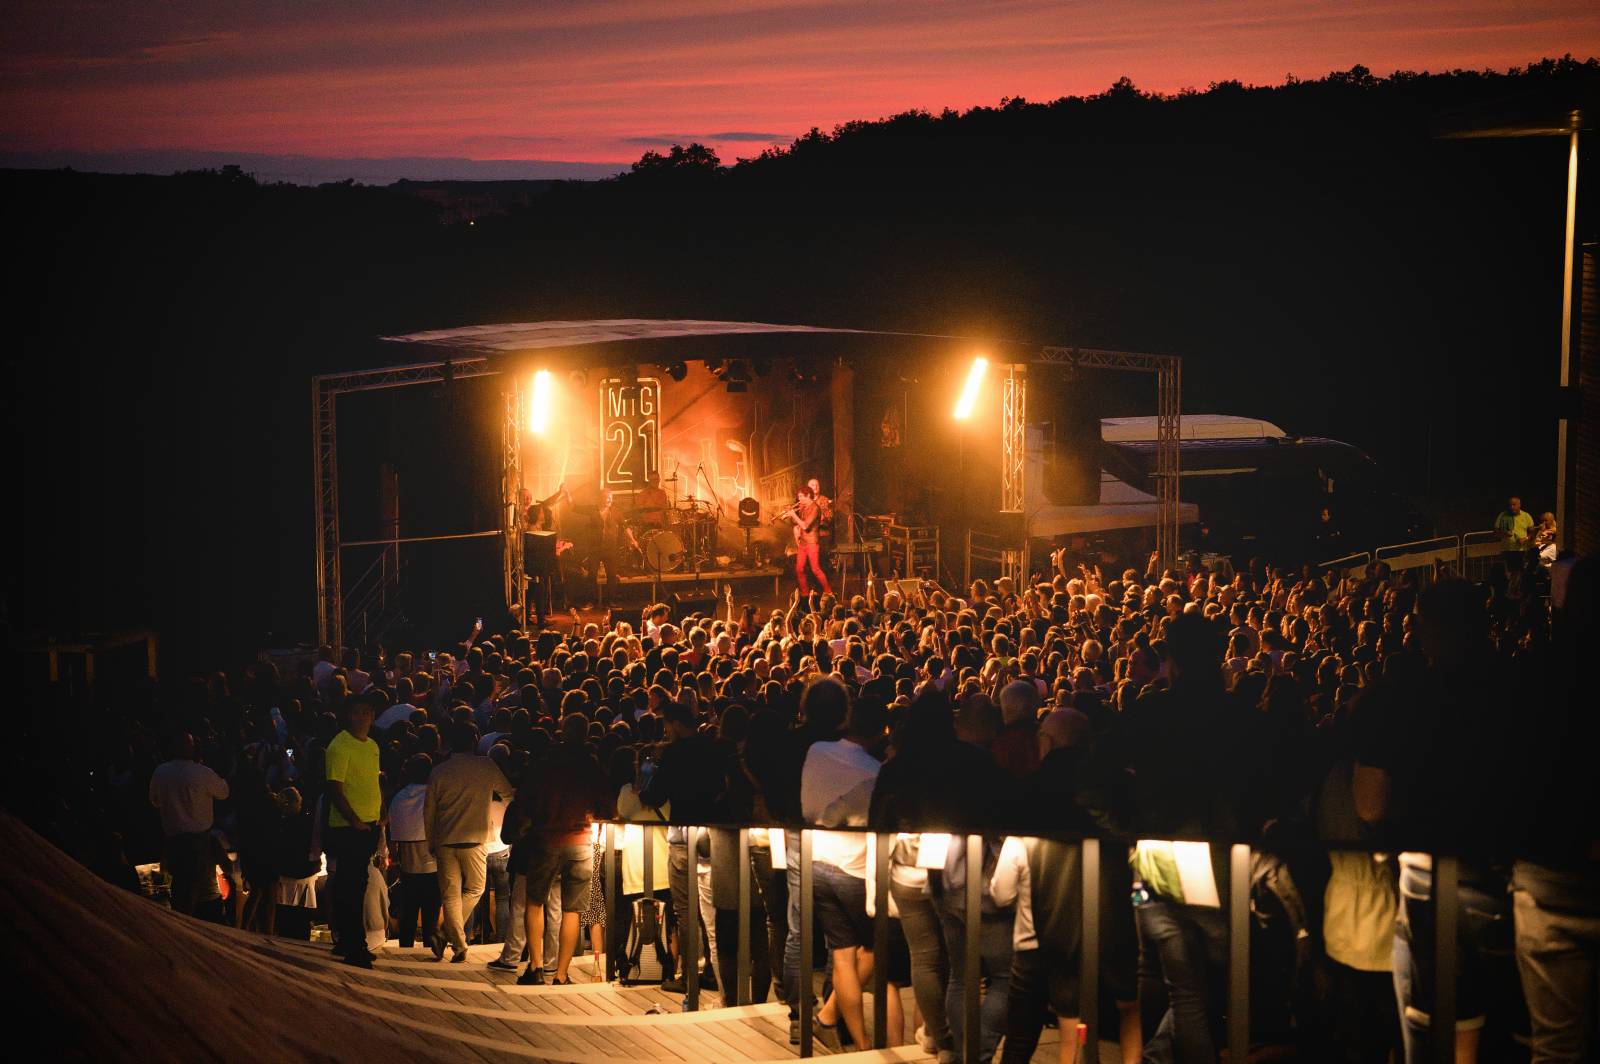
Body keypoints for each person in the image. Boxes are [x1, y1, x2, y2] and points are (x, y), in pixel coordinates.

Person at [801, 693, 890, 1048]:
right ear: (881, 731)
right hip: (855, 867)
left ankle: (843, 1030)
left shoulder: (816, 751)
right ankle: (851, 1035)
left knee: (842, 955)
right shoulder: (876, 773)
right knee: (877, 947)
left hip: (817, 858)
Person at [514, 713, 610, 985]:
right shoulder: (591, 765)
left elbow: (526, 800)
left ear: (562, 731)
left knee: (535, 902)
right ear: (586, 734)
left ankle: (536, 967)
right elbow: (607, 806)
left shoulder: (546, 763)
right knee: (573, 909)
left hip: (546, 839)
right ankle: (561, 974)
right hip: (581, 841)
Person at [426, 722, 514, 963]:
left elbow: (429, 810)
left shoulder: (439, 771)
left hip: (445, 839)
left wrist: (430, 840)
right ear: (474, 740)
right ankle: (448, 936)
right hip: (476, 838)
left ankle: (457, 943)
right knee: (475, 889)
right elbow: (508, 795)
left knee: (450, 895)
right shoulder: (486, 765)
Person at [324, 694, 383, 968]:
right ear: (348, 715)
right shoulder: (339, 745)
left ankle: (350, 942)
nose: (362, 717)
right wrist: (354, 820)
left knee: (356, 884)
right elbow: (334, 788)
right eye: (357, 712)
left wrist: (381, 812)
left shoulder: (372, 746)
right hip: (349, 827)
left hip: (368, 824)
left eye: (366, 712)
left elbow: (372, 781)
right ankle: (354, 945)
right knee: (351, 886)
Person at [148, 731, 230, 919]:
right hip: (199, 840)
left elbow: (154, 800)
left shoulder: (161, 772)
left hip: (173, 839)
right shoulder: (202, 772)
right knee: (199, 891)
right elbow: (224, 792)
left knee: (178, 887)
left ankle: (179, 923)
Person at [388, 753, 439, 950]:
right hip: (432, 865)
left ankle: (405, 951)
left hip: (408, 865)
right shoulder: (433, 795)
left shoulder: (399, 798)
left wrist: (395, 861)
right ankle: (429, 950)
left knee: (408, 914)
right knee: (430, 916)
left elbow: (394, 835)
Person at [785, 485, 833, 596]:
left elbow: (805, 526)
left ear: (808, 496)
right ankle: (805, 594)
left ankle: (828, 591)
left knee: (815, 569)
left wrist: (793, 514)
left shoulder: (815, 508)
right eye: (799, 497)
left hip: (812, 543)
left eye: (801, 496)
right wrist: (790, 515)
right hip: (803, 542)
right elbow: (798, 522)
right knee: (799, 569)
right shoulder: (803, 506)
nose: (799, 499)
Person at [1494, 495, 1534, 570]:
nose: (1511, 507)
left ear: (1519, 505)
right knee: (1509, 572)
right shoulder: (1503, 515)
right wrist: (1504, 534)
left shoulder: (1526, 516)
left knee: (1520, 571)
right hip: (1507, 550)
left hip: (1521, 550)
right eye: (1510, 505)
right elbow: (1496, 532)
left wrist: (1526, 538)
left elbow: (1532, 532)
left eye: (1514, 505)